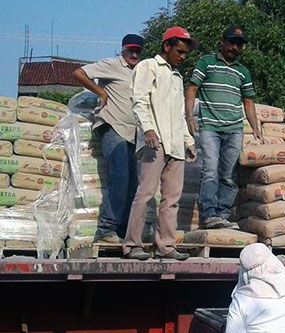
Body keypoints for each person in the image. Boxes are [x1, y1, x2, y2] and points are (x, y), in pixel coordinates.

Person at [122, 27, 197, 261]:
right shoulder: (149, 66)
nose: (182, 57)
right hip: (156, 141)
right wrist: (149, 129)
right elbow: (139, 101)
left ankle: (165, 246)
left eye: (185, 53)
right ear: (167, 46)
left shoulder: (176, 76)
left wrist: (188, 141)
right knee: (145, 194)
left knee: (172, 199)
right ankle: (133, 245)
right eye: (180, 51)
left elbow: (179, 115)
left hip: (175, 144)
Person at [185, 26, 262, 230]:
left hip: (234, 128)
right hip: (210, 126)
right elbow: (192, 89)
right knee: (210, 170)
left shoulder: (242, 71)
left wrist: (256, 128)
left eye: (238, 44)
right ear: (222, 41)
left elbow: (248, 102)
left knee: (229, 174)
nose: (234, 47)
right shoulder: (207, 63)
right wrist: (189, 117)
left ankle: (223, 214)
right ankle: (209, 214)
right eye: (231, 42)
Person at [72, 34, 144, 244]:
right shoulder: (111, 64)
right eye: (130, 50)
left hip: (133, 133)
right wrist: (101, 93)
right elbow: (79, 73)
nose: (134, 54)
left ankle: (121, 231)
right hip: (114, 128)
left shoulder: (140, 71)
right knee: (120, 179)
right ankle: (106, 230)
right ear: (123, 50)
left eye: (138, 51)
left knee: (132, 184)